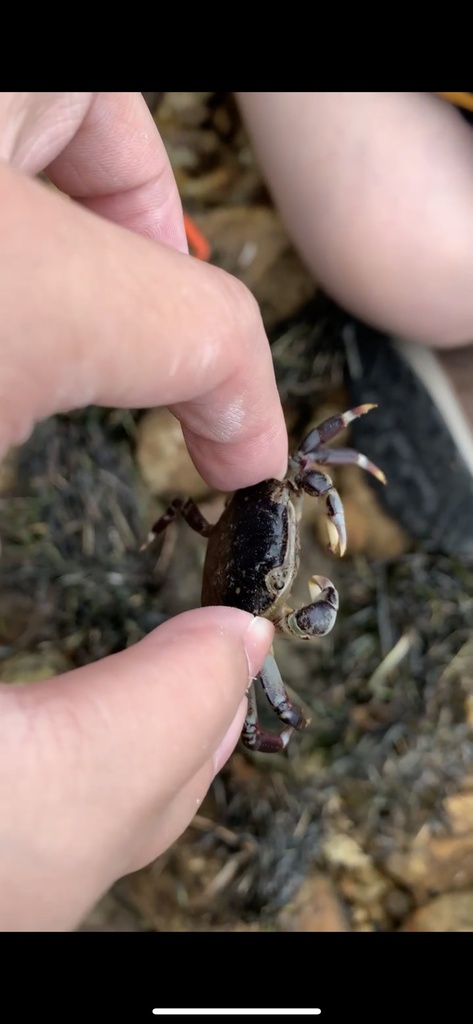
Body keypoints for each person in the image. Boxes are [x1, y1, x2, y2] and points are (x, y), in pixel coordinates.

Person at [1, 91, 473, 931]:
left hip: (241, 537)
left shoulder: (271, 488)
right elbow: (276, 706)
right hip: (238, 600)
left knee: (294, 469)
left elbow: (302, 468)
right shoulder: (264, 578)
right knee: (276, 711)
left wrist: (321, 481)